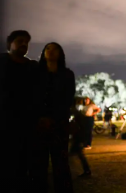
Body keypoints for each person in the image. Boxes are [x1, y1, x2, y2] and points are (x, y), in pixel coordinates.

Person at [30, 42, 75, 193]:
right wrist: (40, 117)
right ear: (43, 53)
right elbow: (31, 97)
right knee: (38, 164)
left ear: (61, 54)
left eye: (55, 49)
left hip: (59, 124)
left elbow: (68, 99)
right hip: (38, 124)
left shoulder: (67, 75)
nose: (51, 51)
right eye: (48, 48)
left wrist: (55, 118)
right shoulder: (35, 73)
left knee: (61, 164)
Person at [0, 30, 38, 193]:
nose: (24, 44)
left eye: (26, 42)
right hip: (4, 121)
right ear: (10, 44)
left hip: (26, 124)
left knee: (23, 164)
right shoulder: (1, 62)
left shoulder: (32, 67)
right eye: (20, 41)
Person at [70, 103, 91, 178]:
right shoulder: (79, 117)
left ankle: (85, 170)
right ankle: (85, 170)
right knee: (78, 155)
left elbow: (79, 129)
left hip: (78, 138)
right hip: (79, 138)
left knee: (78, 155)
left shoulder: (78, 117)